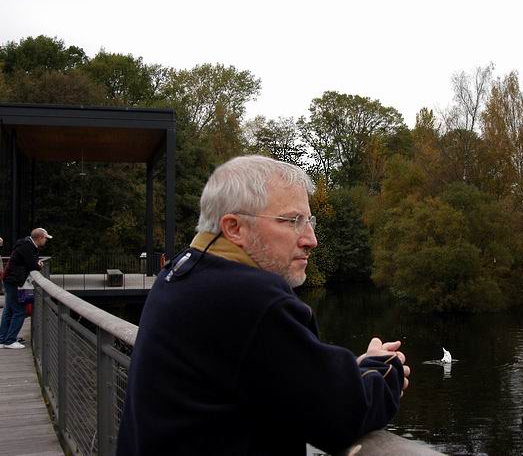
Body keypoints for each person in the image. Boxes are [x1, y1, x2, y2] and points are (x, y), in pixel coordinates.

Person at [118, 155, 410, 456]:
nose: (311, 239)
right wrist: (384, 370)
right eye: (293, 221)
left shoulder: (181, 272)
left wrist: (353, 370)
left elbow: (274, 378)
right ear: (235, 228)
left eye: (309, 221)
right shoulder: (252, 298)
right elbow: (342, 416)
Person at [0, 227, 52, 349]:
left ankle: (3, 339)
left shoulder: (26, 244)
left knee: (9, 310)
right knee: (19, 311)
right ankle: (10, 341)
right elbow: (33, 264)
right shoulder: (27, 246)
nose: (46, 241)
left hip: (10, 280)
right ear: (39, 238)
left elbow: (32, 262)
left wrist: (36, 263)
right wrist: (38, 264)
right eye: (45, 238)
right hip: (13, 281)